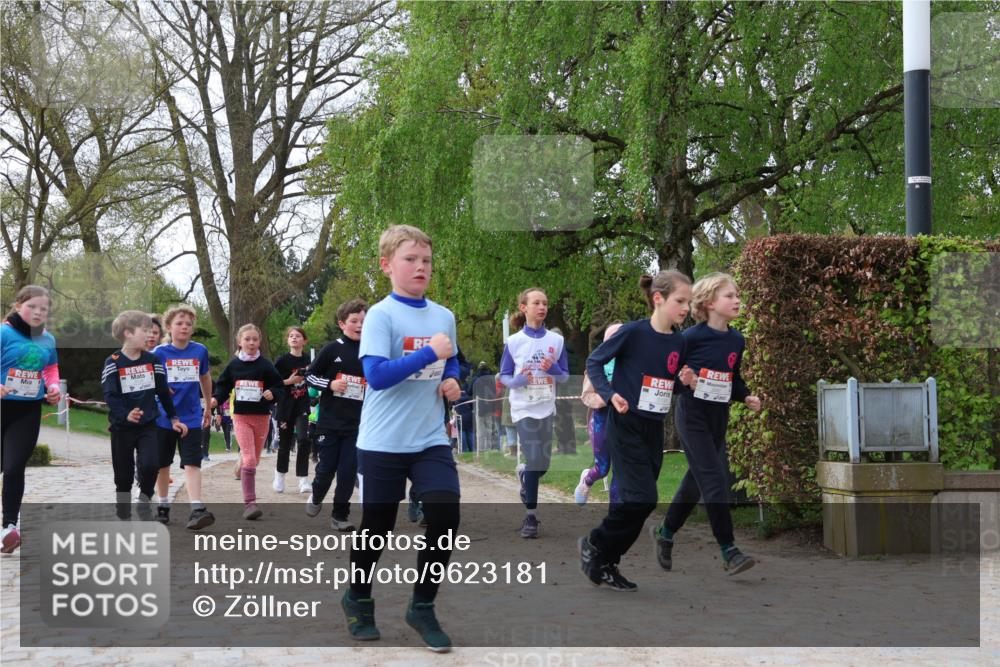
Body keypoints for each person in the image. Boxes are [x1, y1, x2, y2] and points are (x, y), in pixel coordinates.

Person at [341, 225, 461, 652]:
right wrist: (430, 353)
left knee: (445, 517)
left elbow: (453, 364)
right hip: (382, 441)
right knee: (378, 527)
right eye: (410, 259)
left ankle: (422, 607)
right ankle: (358, 598)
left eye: (426, 260)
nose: (420, 267)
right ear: (387, 265)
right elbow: (377, 376)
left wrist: (452, 382)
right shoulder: (381, 315)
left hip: (429, 437)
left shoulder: (443, 315)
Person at [578, 271, 691, 591]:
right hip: (625, 425)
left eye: (688, 302)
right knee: (642, 498)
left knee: (640, 502)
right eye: (680, 301)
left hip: (652, 428)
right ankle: (594, 542)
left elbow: (671, 385)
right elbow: (595, 362)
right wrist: (610, 394)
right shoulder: (632, 333)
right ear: (659, 299)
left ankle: (604, 562)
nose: (686, 308)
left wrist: (685, 384)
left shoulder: (678, 341)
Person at [653, 272, 762, 576]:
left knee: (695, 482)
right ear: (710, 302)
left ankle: (664, 532)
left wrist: (747, 397)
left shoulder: (736, 339)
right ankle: (729, 550)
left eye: (738, 294)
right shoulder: (690, 338)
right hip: (692, 416)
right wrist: (684, 380)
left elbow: (732, 379)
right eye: (730, 295)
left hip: (718, 418)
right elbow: (669, 378)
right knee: (715, 479)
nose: (737, 299)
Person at [498, 288, 569, 538]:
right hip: (523, 408)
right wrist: (518, 380)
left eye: (545, 303)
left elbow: (564, 376)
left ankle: (524, 474)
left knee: (543, 464)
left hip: (546, 406)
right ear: (524, 308)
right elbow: (504, 376)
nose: (542, 307)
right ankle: (531, 518)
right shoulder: (514, 342)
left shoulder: (556, 341)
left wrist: (553, 370)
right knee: (536, 458)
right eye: (536, 303)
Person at [102, 310, 186, 520]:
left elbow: (162, 391)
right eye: (145, 331)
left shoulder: (153, 360)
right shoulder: (113, 361)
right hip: (122, 427)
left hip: (148, 424)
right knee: (123, 475)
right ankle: (123, 508)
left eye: (152, 331)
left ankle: (145, 498)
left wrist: (174, 418)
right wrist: (125, 414)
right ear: (128, 333)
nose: (150, 335)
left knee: (150, 465)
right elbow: (110, 394)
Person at [1, 285, 62, 553]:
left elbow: (50, 367)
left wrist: (54, 387)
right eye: (32, 306)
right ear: (18, 306)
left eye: (43, 309)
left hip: (27, 411)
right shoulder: (4, 333)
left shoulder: (47, 339)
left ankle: (9, 526)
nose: (38, 312)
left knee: (14, 467)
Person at [304, 299, 367, 531]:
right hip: (329, 422)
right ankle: (317, 494)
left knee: (348, 472)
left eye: (363, 321)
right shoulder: (332, 349)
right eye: (354, 321)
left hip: (357, 423)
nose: (360, 325)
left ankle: (340, 515)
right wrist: (330, 384)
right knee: (326, 468)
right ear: (342, 324)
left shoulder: (371, 349)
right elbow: (310, 376)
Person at [151, 305, 215, 529]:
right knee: (162, 463)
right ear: (169, 327)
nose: (184, 327)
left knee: (192, 462)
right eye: (179, 323)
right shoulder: (159, 353)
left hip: (190, 416)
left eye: (188, 323)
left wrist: (208, 406)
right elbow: (148, 381)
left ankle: (196, 508)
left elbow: (205, 378)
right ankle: (163, 506)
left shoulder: (200, 351)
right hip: (163, 416)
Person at [212, 324, 284, 520]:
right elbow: (223, 386)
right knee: (251, 458)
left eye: (255, 339)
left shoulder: (265, 365)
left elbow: (279, 386)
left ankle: (241, 463)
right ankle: (250, 504)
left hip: (262, 417)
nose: (251, 343)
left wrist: (273, 393)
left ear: (259, 341)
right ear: (239, 342)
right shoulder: (234, 365)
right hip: (241, 417)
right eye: (247, 339)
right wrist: (215, 400)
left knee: (254, 459)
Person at [575, 322, 623, 505]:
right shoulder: (597, 363)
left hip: (626, 421)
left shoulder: (633, 364)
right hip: (601, 419)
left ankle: (616, 513)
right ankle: (587, 479)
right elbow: (586, 396)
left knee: (620, 468)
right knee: (602, 468)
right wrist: (610, 396)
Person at [273, 327, 313, 494]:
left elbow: (316, 379)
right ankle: (279, 476)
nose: (294, 338)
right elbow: (273, 383)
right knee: (285, 444)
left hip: (302, 407)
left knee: (304, 440)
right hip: (285, 408)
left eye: (298, 336)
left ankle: (303, 479)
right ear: (288, 340)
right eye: (291, 336)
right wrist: (289, 381)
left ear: (304, 341)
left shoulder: (310, 360)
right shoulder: (282, 361)